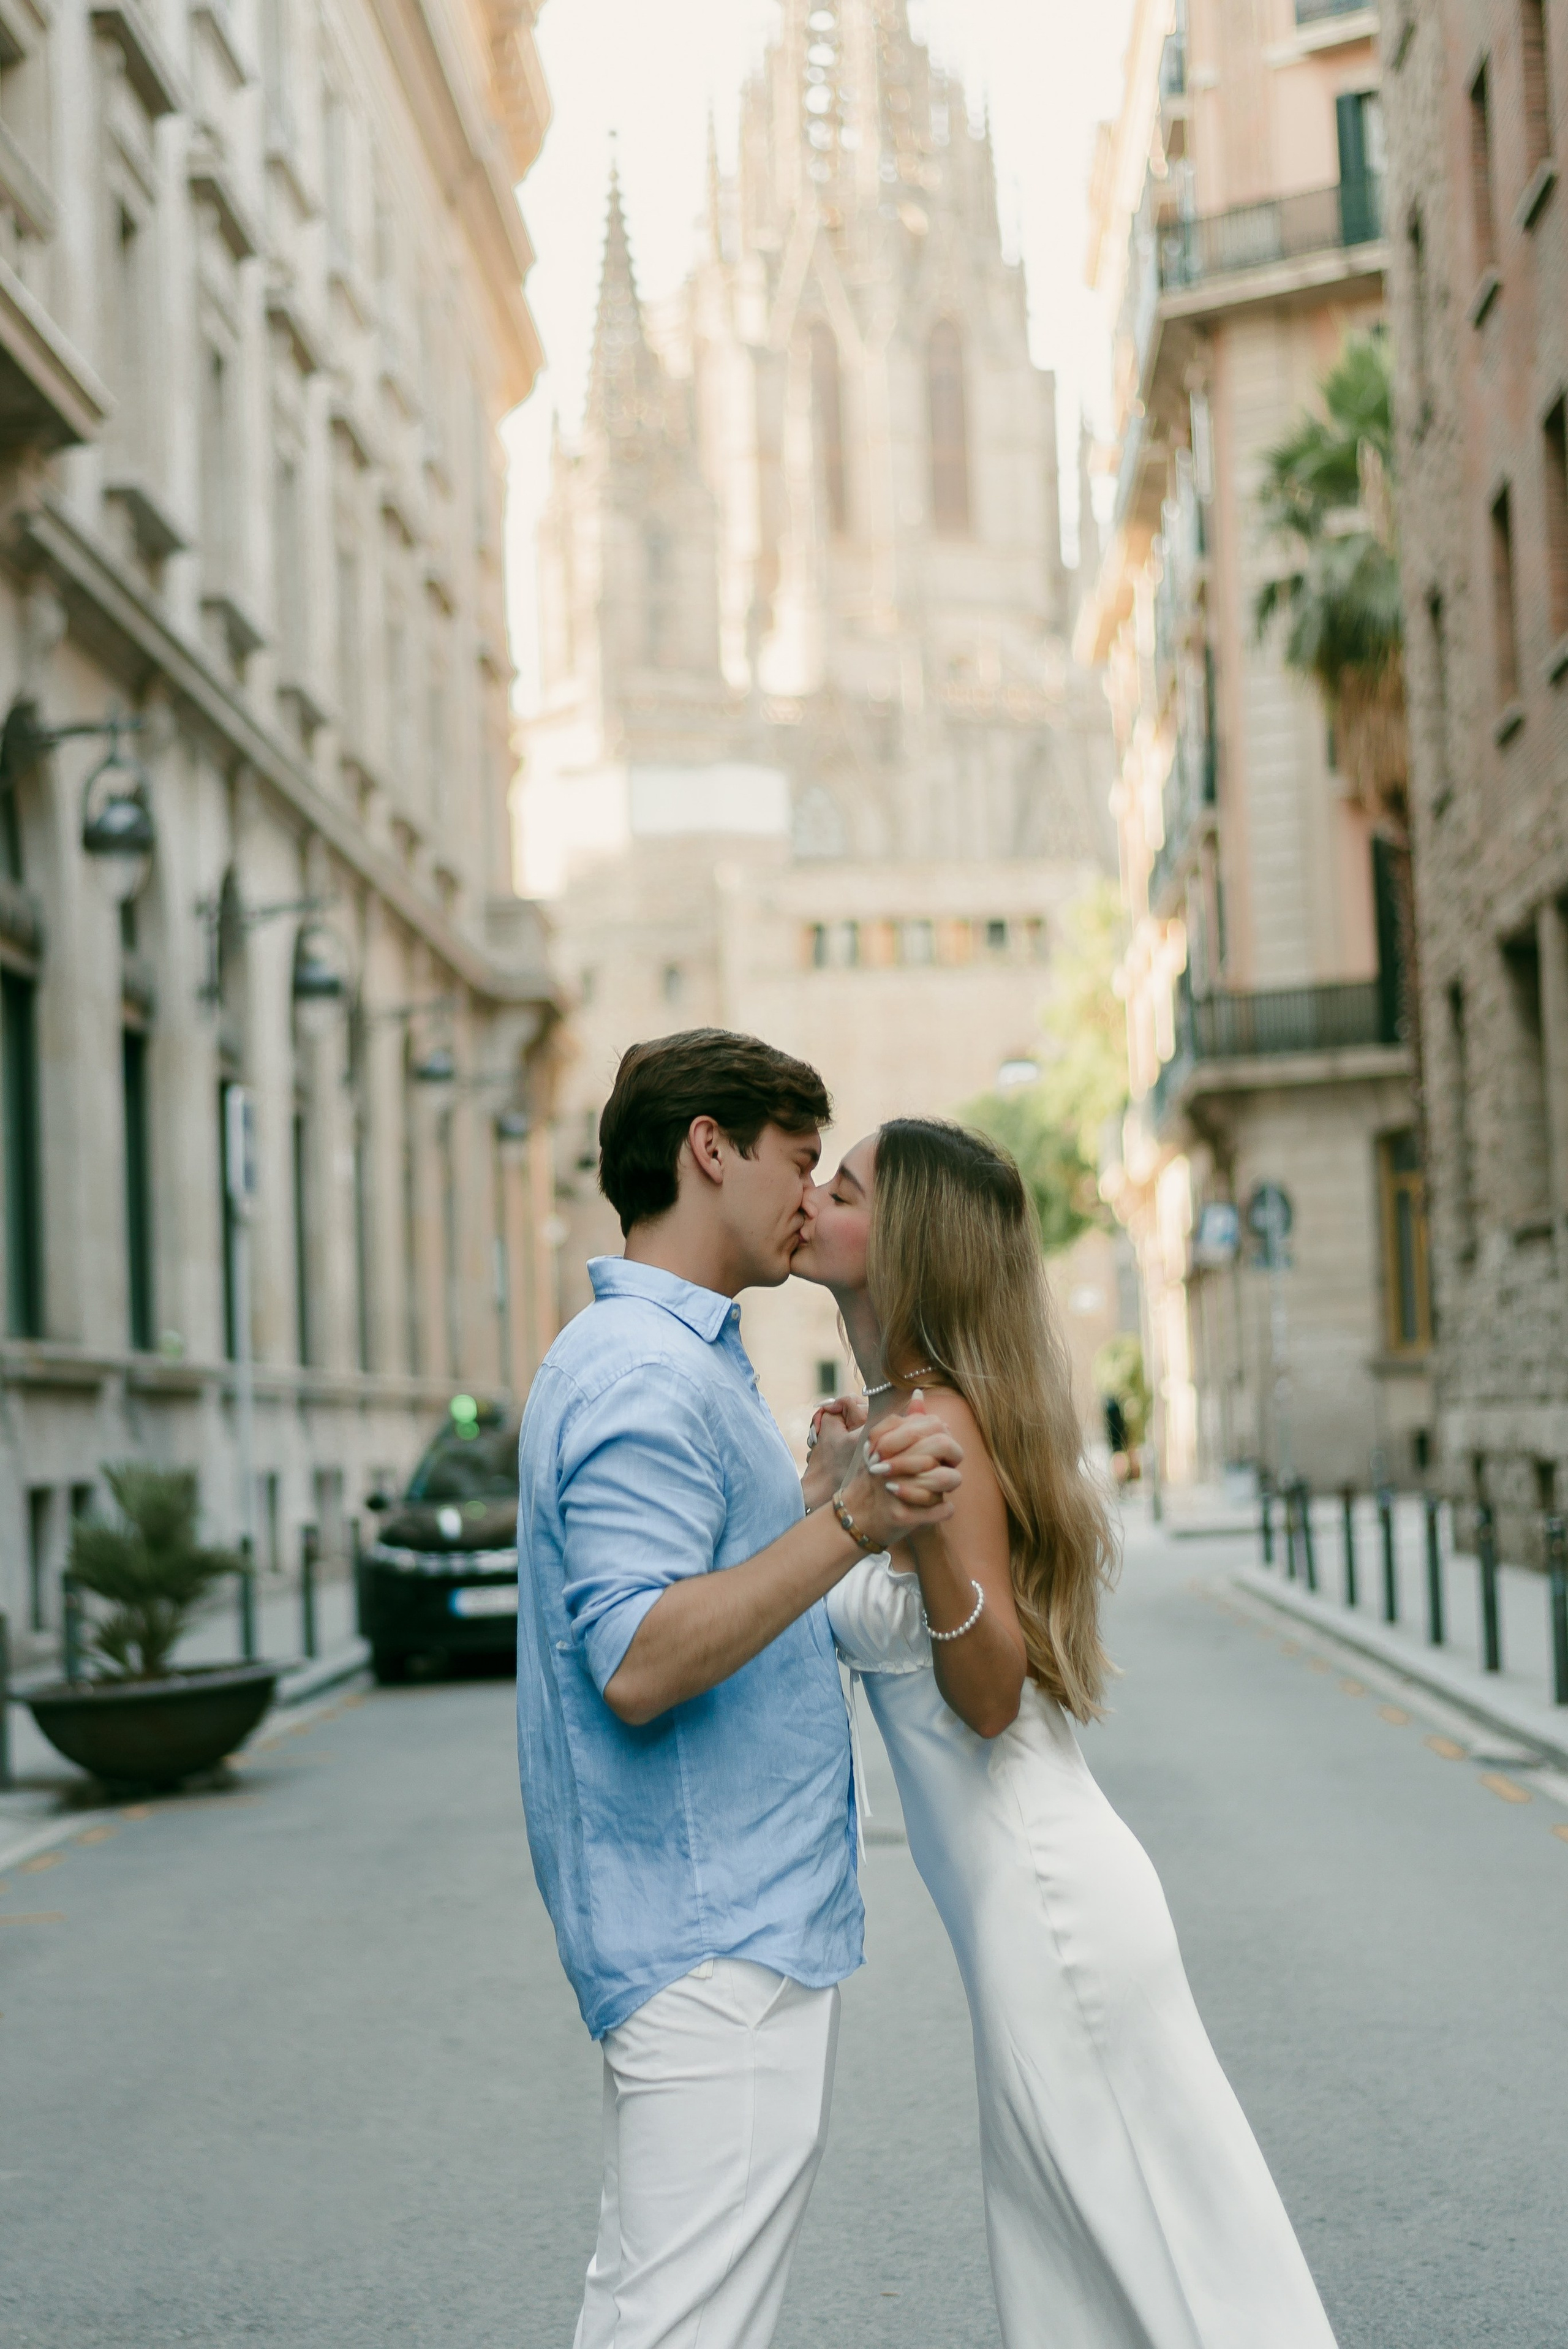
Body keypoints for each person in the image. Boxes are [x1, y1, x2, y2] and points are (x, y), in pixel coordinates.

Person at [793, 1118, 1340, 2349]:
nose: (813, 1201)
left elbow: (986, 1696)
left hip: (1048, 1907)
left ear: (908, 1243)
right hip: (1028, 1906)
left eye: (842, 1188)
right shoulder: (906, 1416)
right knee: (1103, 2257)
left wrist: (908, 1523)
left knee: (1155, 2260)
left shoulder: (929, 1427)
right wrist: (833, 1500)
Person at [515, 1032, 963, 2349]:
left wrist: (805, 1502)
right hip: (716, 1948)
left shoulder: (669, 1358)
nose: (806, 1197)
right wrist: (852, 1524)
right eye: (796, 1158)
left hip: (725, 1932)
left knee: (662, 2314)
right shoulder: (644, 1372)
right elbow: (641, 1658)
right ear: (707, 1147)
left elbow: (704, 1587)